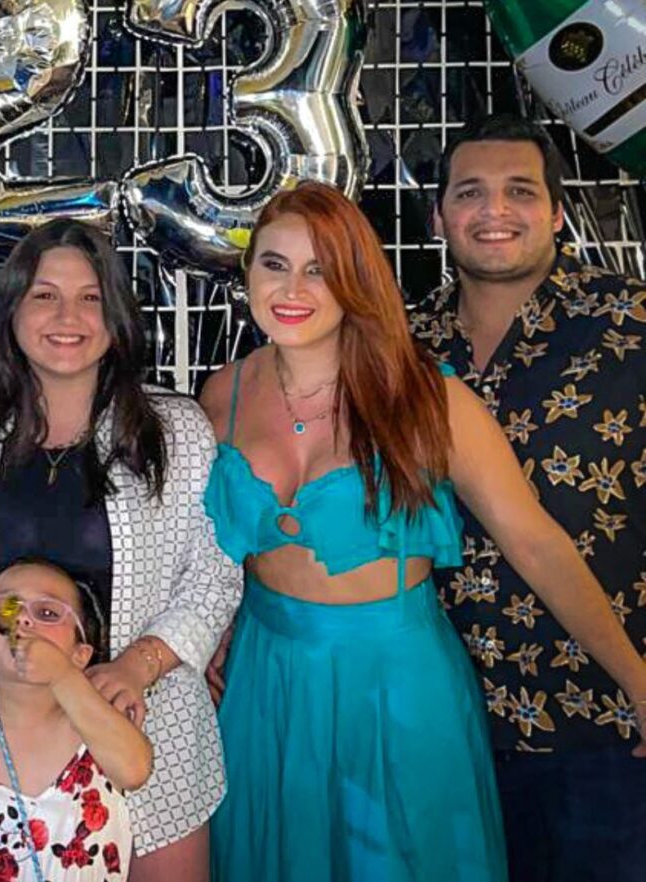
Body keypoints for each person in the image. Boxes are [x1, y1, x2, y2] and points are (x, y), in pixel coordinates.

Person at [200, 181, 646, 881]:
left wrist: (639, 682)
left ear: (357, 279)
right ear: (248, 273)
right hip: (265, 684)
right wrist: (210, 635)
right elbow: (213, 554)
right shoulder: (220, 394)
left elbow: (534, 542)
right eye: (274, 264)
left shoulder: (427, 397)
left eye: (320, 269)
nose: (293, 288)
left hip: (396, 686)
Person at [0, 219, 242, 882]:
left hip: (150, 738)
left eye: (90, 297)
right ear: (10, 311)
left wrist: (135, 668)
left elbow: (213, 579)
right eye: (44, 296)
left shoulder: (174, 430)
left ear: (116, 316)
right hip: (10, 755)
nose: (67, 317)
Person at [410, 113, 646, 881]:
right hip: (443, 727)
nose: (495, 210)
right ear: (440, 214)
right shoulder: (402, 350)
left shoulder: (632, 323)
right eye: (471, 192)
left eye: (520, 190)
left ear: (555, 210)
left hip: (606, 717)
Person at [0, 559, 152, 882]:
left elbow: (135, 770)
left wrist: (62, 675)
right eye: (8, 610)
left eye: (47, 613)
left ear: (80, 655)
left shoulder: (96, 727)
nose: (23, 620)